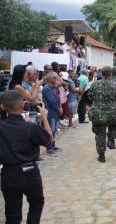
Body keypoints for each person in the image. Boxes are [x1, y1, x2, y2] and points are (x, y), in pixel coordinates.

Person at [0, 91, 53, 224]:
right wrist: (44, 116)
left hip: (8, 173)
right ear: (22, 106)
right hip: (30, 172)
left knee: (12, 215)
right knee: (36, 204)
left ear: (2, 107)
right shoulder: (30, 127)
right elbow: (49, 140)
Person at [88, 66, 116, 163]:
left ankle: (101, 155)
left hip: (98, 113)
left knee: (100, 134)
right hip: (112, 113)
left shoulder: (95, 85)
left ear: (102, 73)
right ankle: (110, 139)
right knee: (113, 127)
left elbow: (90, 97)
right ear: (110, 74)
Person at [42, 72, 63, 154]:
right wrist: (59, 108)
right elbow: (52, 101)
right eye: (54, 77)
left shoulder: (54, 87)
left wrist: (60, 107)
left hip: (56, 111)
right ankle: (49, 147)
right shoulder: (47, 88)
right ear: (49, 78)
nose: (56, 79)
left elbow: (57, 98)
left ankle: (52, 145)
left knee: (54, 130)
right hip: (51, 111)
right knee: (50, 129)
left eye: (56, 77)